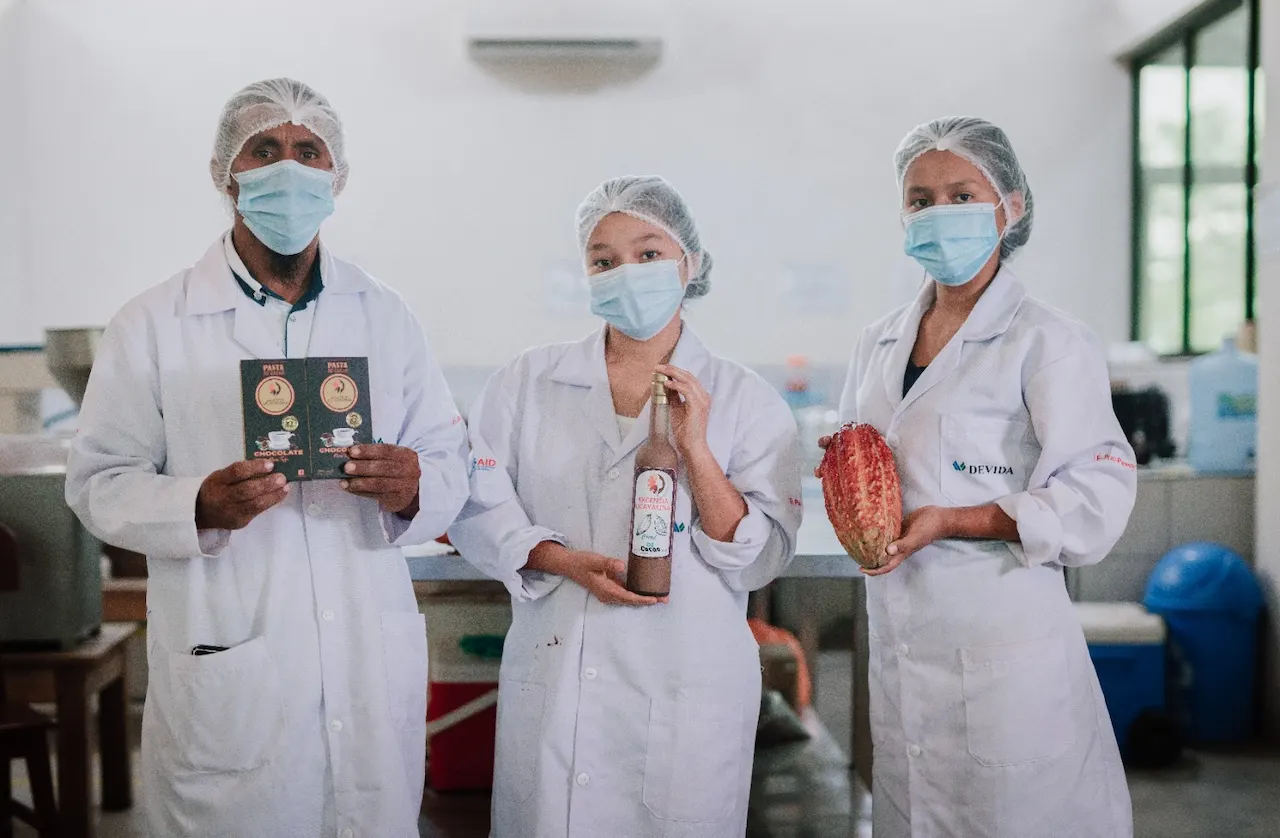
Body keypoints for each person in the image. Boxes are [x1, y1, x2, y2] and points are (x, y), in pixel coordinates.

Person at [65, 78, 469, 837]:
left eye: (308, 151)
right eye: (266, 149)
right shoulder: (154, 324)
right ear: (230, 174)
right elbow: (97, 484)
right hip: (233, 657)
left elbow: (449, 457)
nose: (290, 167)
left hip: (363, 648)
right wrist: (196, 506)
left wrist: (414, 485)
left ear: (336, 176)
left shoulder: (385, 315)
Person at [447, 176, 803, 837]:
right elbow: (475, 502)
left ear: (688, 264)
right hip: (558, 673)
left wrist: (696, 447)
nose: (626, 274)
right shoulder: (529, 381)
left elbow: (756, 558)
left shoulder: (745, 399)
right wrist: (557, 558)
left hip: (683, 680)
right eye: (603, 260)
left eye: (647, 254)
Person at [824, 117, 1137, 836]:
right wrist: (848, 463)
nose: (940, 214)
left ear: (1011, 206)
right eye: (921, 199)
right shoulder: (876, 342)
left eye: (962, 194)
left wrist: (959, 519)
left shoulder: (1048, 340)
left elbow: (1098, 496)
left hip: (1003, 640)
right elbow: (869, 450)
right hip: (903, 638)